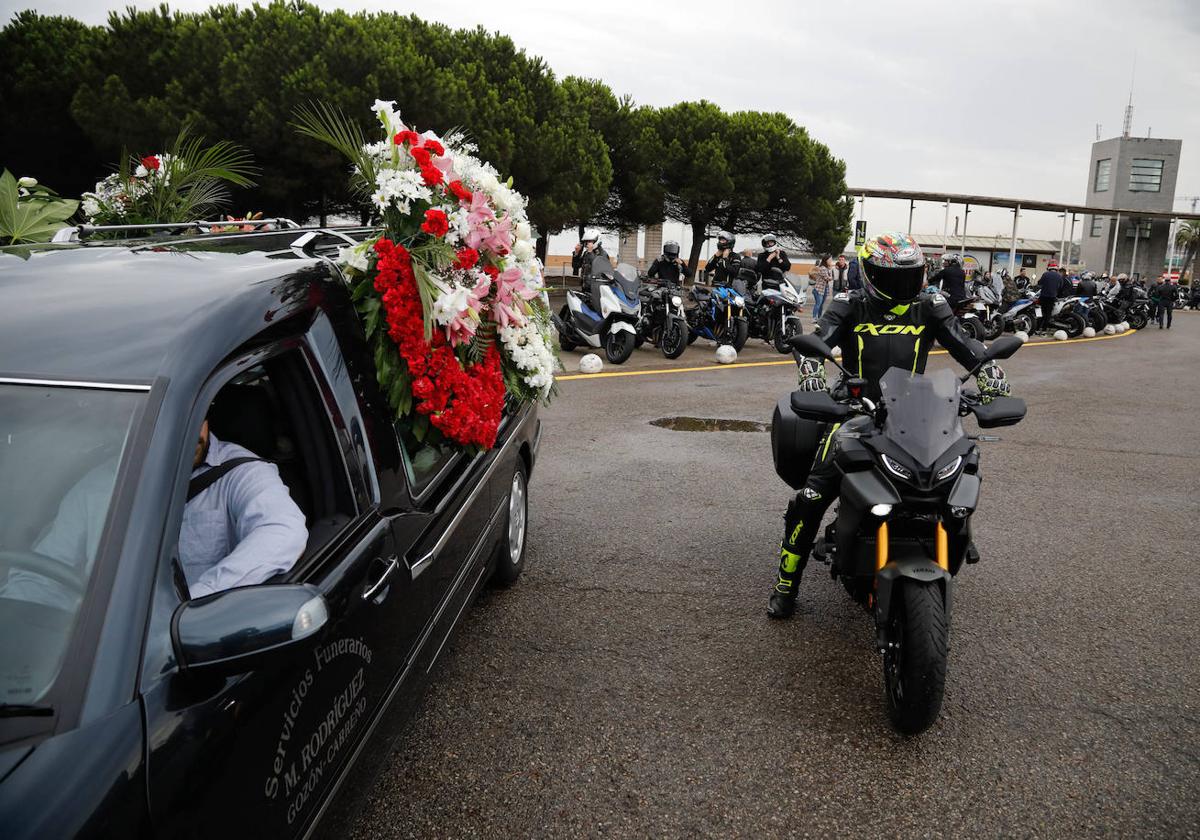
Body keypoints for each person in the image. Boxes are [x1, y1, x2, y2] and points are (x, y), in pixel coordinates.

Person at [767, 232, 1010, 619]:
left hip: (915, 409)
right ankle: (786, 584)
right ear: (870, 274)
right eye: (892, 277)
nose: (903, 285)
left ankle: (953, 537)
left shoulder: (931, 304)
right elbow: (816, 342)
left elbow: (967, 345)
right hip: (854, 410)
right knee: (812, 496)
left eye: (910, 275)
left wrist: (991, 374)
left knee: (958, 468)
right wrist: (811, 373)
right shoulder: (850, 303)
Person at [6, 415, 308, 608]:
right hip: (104, 648)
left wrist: (192, 606)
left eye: (195, 419)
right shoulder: (99, 485)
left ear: (208, 417)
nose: (185, 434)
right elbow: (43, 573)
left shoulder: (240, 474)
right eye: (169, 422)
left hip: (193, 643)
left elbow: (282, 531)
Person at [1036, 261, 1068, 334]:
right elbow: (1060, 286)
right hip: (1052, 297)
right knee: (1048, 313)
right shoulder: (1059, 276)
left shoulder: (1045, 274)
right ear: (1056, 269)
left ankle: (1037, 328)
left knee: (1040, 312)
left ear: (1049, 268)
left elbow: (1039, 283)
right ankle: (1044, 329)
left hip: (1043, 296)